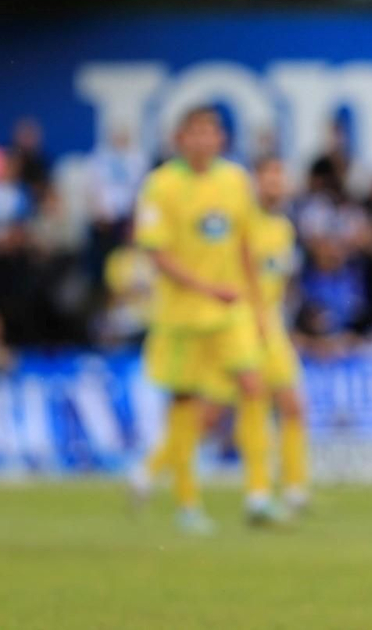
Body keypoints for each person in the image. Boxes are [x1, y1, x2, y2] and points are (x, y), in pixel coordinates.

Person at [129, 106, 277, 532]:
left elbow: (246, 244)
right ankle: (187, 504)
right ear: (180, 139)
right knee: (187, 406)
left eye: (211, 132)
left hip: (231, 310)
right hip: (181, 315)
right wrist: (207, 287)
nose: (204, 140)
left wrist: (258, 307)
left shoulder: (234, 180)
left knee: (253, 384)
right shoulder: (160, 186)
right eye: (195, 133)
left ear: (221, 140)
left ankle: (258, 495)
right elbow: (155, 253)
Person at [247, 155, 312, 514]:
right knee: (223, 411)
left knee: (291, 406)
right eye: (269, 174)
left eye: (280, 175)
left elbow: (283, 282)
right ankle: (257, 492)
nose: (276, 182)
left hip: (272, 325)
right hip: (242, 324)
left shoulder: (283, 227)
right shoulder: (244, 224)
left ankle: (293, 488)